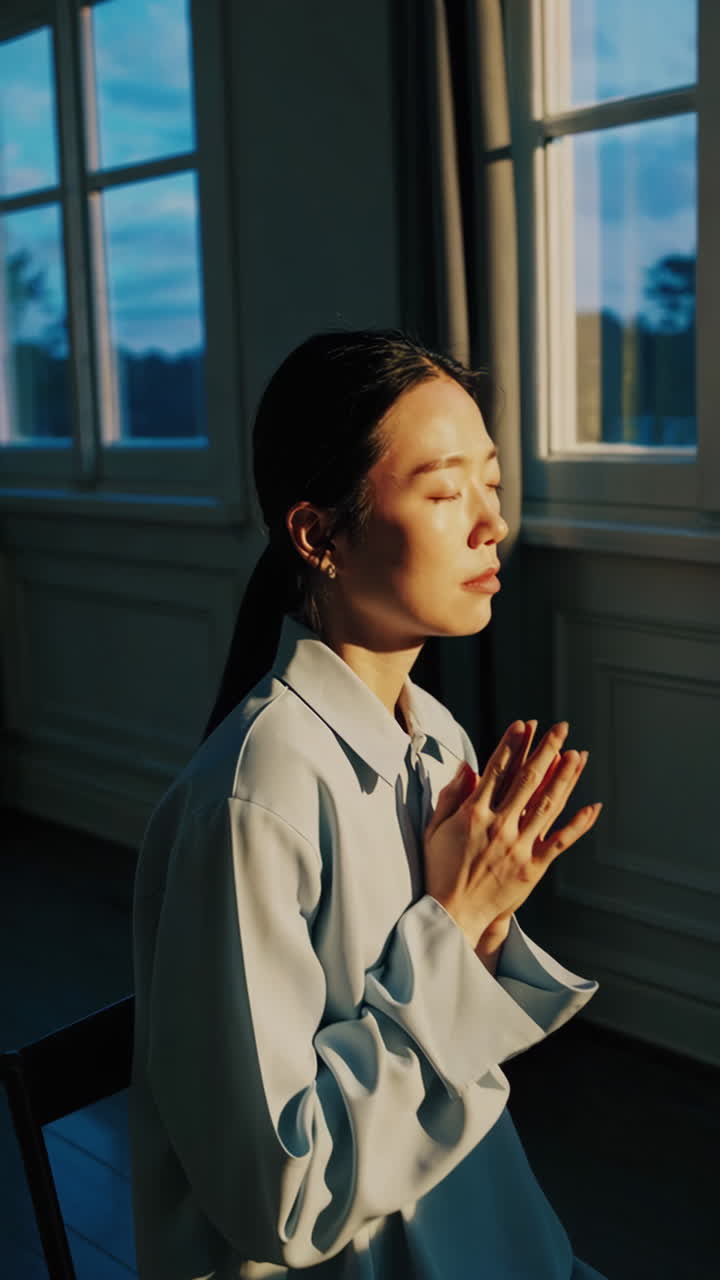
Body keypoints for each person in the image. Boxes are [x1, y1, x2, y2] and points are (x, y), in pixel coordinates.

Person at [130, 330, 606, 1279]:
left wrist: (481, 927)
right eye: (444, 492)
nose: (491, 523)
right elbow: (284, 1198)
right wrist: (457, 921)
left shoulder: (439, 741)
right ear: (318, 535)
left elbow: (454, 1070)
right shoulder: (252, 800)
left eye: (492, 483)